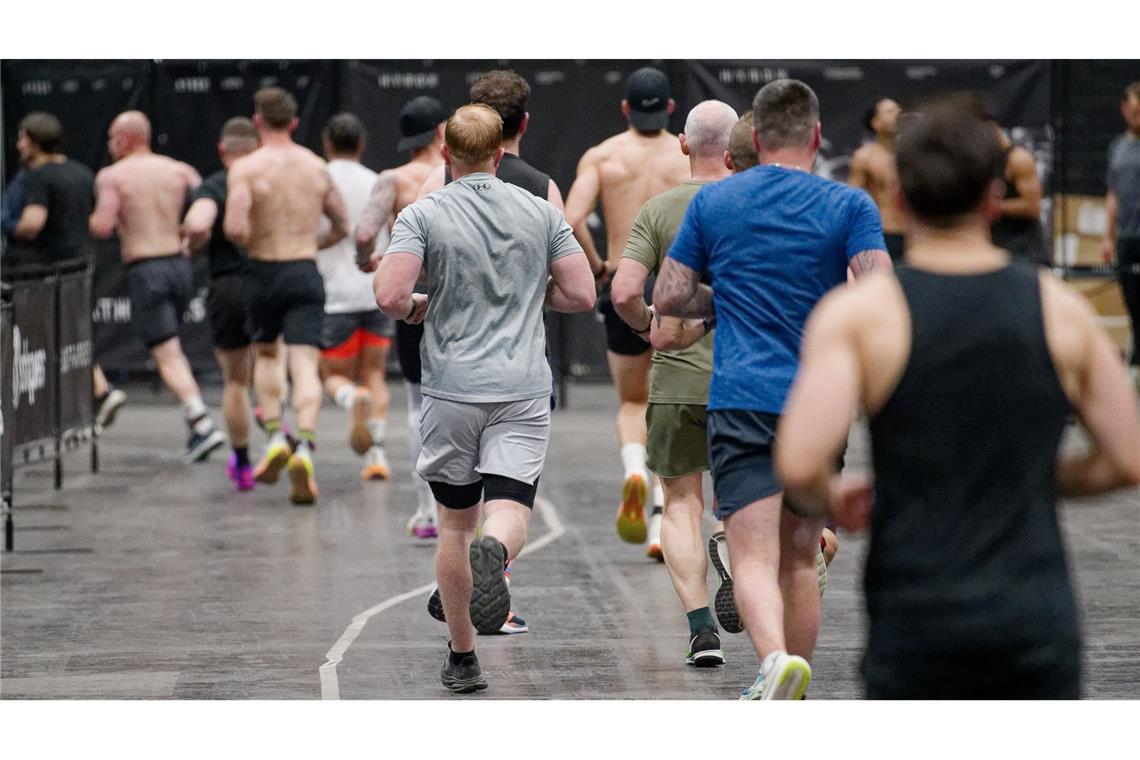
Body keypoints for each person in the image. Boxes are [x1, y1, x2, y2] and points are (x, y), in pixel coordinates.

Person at [776, 97, 1140, 699]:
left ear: (898, 199)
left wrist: (834, 496)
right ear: (994, 199)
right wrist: (1032, 477)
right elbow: (1127, 458)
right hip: (1033, 615)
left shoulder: (860, 315)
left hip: (917, 615)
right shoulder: (1061, 309)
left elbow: (797, 463)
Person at [654, 79, 891, 700]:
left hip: (744, 397)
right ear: (817, 136)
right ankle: (794, 685)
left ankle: (773, 662)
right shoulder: (850, 206)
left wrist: (726, 299)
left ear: (754, 138)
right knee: (801, 555)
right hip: (819, 401)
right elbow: (880, 296)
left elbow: (668, 295)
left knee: (752, 555)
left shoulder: (716, 203)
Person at [374, 104, 594, 693]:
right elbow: (581, 294)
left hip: (451, 388)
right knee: (510, 507)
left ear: (445, 152)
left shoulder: (423, 213)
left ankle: (463, 656)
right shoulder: (541, 211)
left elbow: (390, 295)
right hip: (521, 386)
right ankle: (495, 549)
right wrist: (530, 292)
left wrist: (421, 306)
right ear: (500, 154)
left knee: (453, 525)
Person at [611, 99, 738, 664]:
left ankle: (701, 629)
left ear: (683, 144)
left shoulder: (659, 210)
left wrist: (648, 328)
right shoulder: (756, 206)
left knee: (681, 502)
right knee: (744, 501)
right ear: (736, 150)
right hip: (748, 382)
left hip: (679, 383)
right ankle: (733, 552)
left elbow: (622, 292)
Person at [565, 66, 690, 551]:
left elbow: (572, 216)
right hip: (678, 285)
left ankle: (634, 471)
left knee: (633, 402)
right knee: (669, 404)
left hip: (626, 280)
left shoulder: (603, 156)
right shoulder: (686, 156)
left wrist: (599, 266)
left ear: (624, 109)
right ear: (670, 108)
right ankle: (660, 515)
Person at [224, 87, 349, 505]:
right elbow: (342, 224)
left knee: (267, 355)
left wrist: (256, 239)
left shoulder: (246, 168)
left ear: (257, 121)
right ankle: (306, 447)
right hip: (303, 268)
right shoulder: (315, 166)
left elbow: (235, 227)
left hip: (263, 269)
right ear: (294, 123)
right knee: (305, 362)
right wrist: (312, 244)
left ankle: (277, 436)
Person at [88, 110, 225, 461]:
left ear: (124, 139)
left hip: (146, 267)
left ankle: (201, 421)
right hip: (180, 266)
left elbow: (102, 225)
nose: (109, 145)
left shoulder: (113, 176)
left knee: (166, 352)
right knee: (172, 348)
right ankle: (196, 424)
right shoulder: (180, 170)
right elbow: (205, 210)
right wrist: (187, 241)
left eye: (111, 138)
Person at [356, 95, 447, 537]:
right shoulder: (457, 175)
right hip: (459, 299)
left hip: (414, 299)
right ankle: (470, 508)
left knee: (417, 404)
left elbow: (363, 233)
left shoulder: (393, 180)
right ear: (441, 131)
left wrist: (368, 259)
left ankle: (427, 511)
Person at [11, 112, 128, 433]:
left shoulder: (38, 177)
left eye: (22, 138)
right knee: (74, 334)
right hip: (84, 264)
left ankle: (97, 394)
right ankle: (92, 399)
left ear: (34, 141)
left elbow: (33, 222)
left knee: (52, 337)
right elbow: (94, 219)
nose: (18, 144)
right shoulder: (82, 173)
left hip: (53, 269)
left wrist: (10, 227)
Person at [314, 112, 394, 481]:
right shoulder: (377, 181)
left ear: (327, 144)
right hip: (374, 290)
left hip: (335, 295)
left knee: (332, 375)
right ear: (361, 144)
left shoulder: (318, 178)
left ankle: (350, 398)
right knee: (374, 373)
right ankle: (376, 453)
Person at [182, 117, 260, 491]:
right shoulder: (268, 179)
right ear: (257, 148)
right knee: (271, 363)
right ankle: (277, 428)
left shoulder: (216, 184)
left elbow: (199, 224)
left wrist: (193, 241)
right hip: (268, 279)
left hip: (229, 286)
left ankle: (242, 464)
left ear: (222, 149)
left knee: (235, 380)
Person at [1104, 81, 1140, 388]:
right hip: (1127, 238)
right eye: (1134, 111)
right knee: (1132, 302)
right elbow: (1113, 194)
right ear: (1124, 110)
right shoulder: (1117, 147)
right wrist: (1107, 236)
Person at [987, 114, 1048, 265]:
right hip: (995, 248)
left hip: (1024, 249)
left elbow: (1032, 207)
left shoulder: (1018, 159)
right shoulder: (982, 160)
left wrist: (995, 207)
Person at [849, 97, 905, 262]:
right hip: (885, 234)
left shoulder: (912, 153)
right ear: (876, 123)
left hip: (916, 235)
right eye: (890, 111)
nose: (897, 114)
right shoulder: (864, 157)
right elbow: (852, 201)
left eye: (898, 110)